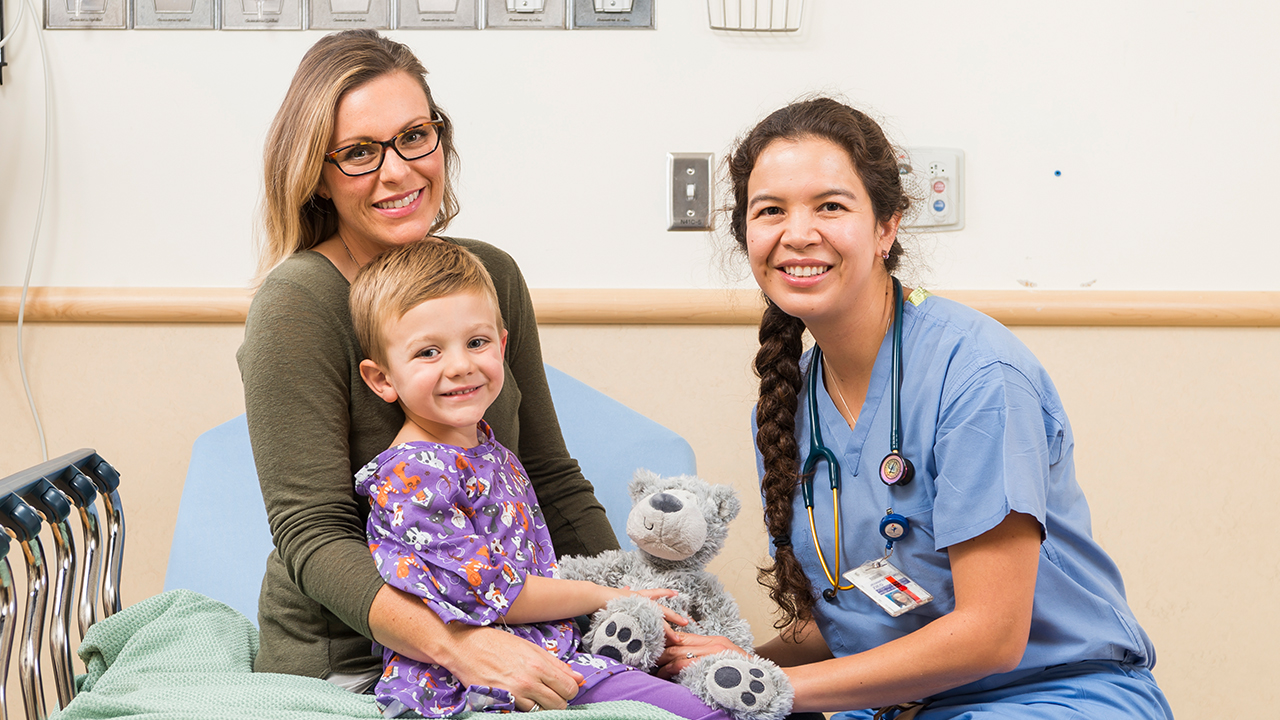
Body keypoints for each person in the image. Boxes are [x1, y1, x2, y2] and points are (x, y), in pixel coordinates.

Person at [657, 98, 1174, 719]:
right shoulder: (790, 402)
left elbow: (991, 634)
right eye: (771, 211)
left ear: (887, 226)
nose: (797, 233)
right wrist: (727, 660)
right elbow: (864, 614)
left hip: (1047, 695)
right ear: (747, 236)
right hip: (888, 703)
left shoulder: (979, 377)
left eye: (830, 206)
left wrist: (770, 687)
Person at [237, 29, 619, 706]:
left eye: (416, 135)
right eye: (358, 153)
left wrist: (635, 604)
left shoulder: (490, 274)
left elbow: (551, 476)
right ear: (317, 175)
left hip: (507, 626)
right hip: (353, 661)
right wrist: (456, 645)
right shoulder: (297, 304)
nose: (398, 170)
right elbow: (313, 533)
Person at [347, 240, 732, 720]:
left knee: (725, 691)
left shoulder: (488, 449)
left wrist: (630, 596)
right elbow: (496, 593)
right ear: (382, 379)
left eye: (477, 342)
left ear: (503, 348)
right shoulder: (413, 475)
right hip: (477, 675)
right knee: (706, 712)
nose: (461, 365)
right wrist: (610, 596)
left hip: (550, 644)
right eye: (428, 352)